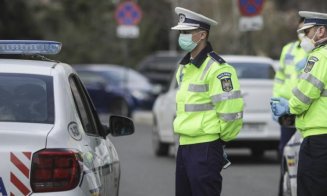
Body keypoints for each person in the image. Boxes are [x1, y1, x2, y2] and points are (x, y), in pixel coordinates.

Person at [171, 7, 244, 196]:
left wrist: (219, 142)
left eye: (187, 32)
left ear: (202, 34)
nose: (182, 36)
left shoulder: (218, 69)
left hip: (205, 147)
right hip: (184, 146)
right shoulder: (185, 68)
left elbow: (231, 111)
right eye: (181, 32)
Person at [271, 11, 327, 196]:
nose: (304, 36)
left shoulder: (319, 56)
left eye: (308, 31)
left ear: (321, 31)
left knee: (310, 188)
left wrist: (289, 106)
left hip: (318, 136)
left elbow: (306, 94)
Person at [272, 17, 308, 196]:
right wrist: (276, 101)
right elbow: (279, 78)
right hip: (287, 111)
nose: (303, 34)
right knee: (285, 152)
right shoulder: (289, 49)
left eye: (306, 30)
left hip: (307, 109)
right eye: (300, 30)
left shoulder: (317, 51)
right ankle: (283, 191)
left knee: (306, 154)